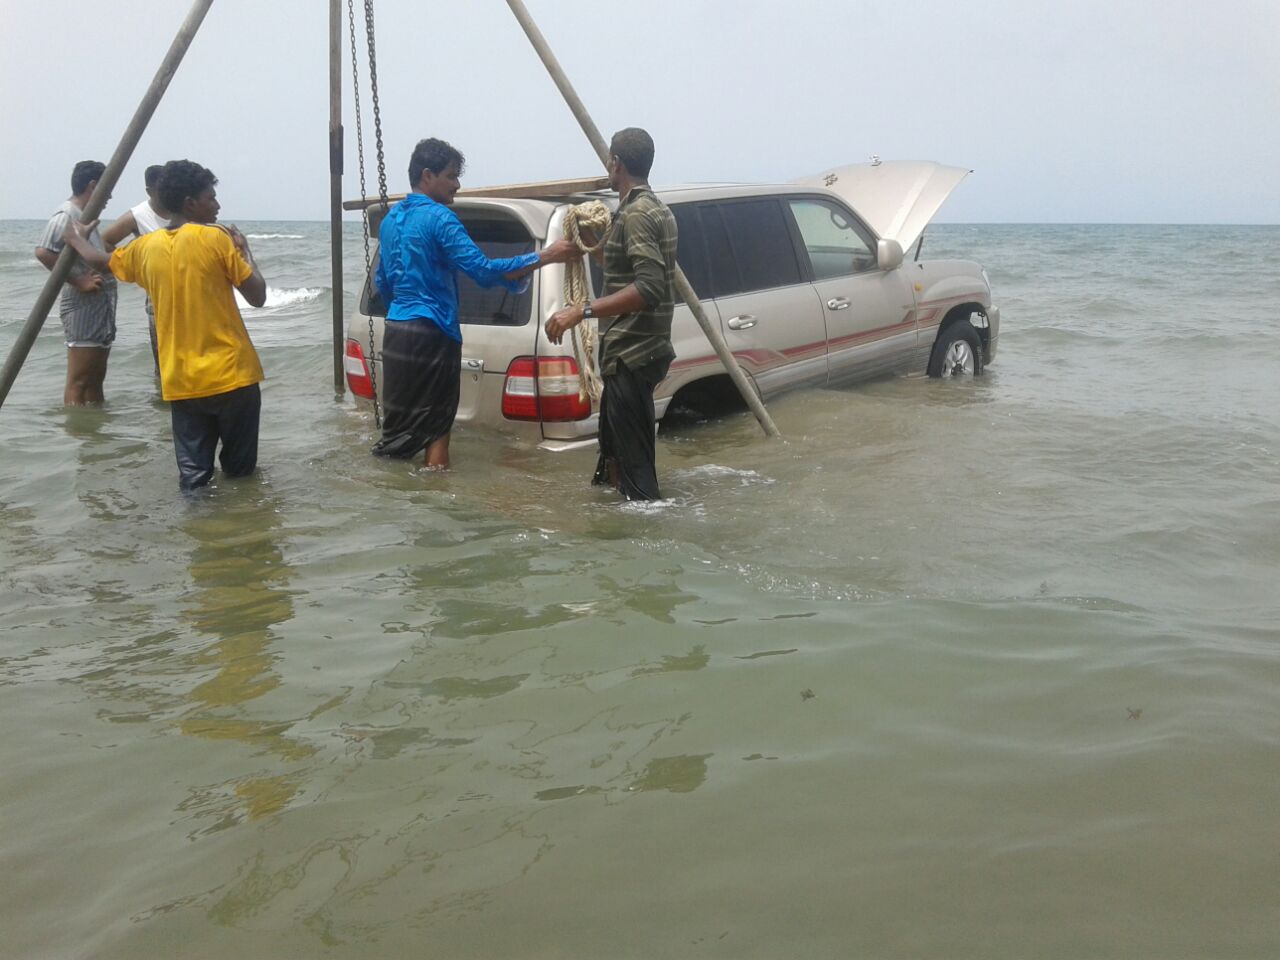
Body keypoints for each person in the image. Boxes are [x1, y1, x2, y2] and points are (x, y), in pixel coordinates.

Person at [371, 137, 577, 469]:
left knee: (397, 431)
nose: (457, 185)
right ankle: (436, 497)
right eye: (451, 176)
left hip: (395, 331)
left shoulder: (392, 220)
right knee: (437, 427)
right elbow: (481, 271)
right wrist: (547, 256)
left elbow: (382, 281)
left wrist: (407, 308)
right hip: (433, 332)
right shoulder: (440, 218)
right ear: (428, 175)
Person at [62, 159, 268, 491]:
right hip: (233, 377)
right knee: (241, 478)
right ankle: (239, 533)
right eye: (210, 197)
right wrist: (246, 253)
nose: (217, 205)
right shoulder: (217, 239)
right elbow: (257, 295)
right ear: (190, 203)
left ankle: (197, 536)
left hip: (182, 382)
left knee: (194, 482)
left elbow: (102, 260)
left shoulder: (145, 248)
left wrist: (76, 240)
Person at [546, 127, 678, 501]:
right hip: (630, 354)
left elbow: (649, 287)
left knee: (638, 484)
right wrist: (592, 246)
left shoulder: (637, 214)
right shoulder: (650, 209)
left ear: (615, 163)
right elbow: (626, 267)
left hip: (632, 354)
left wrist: (581, 311)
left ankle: (644, 548)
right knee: (613, 460)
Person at [35, 160, 118, 405]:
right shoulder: (67, 216)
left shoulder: (84, 217)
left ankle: (93, 434)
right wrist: (78, 280)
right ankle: (77, 432)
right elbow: (43, 252)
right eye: (108, 189)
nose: (110, 197)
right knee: (80, 380)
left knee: (95, 379)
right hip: (83, 305)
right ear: (93, 186)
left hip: (99, 305)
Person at [102, 164, 172, 375]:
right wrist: (136, 263)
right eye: (162, 188)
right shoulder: (138, 215)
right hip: (158, 295)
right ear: (149, 191)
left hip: (188, 290)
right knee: (164, 359)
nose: (167, 193)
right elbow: (104, 241)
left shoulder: (180, 207)